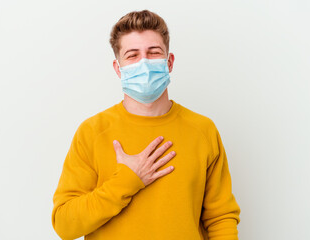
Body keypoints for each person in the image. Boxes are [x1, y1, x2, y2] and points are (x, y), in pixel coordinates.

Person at [52, 9, 240, 240]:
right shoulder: (92, 132)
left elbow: (221, 218)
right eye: (132, 55)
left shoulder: (202, 130)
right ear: (117, 68)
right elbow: (64, 224)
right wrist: (127, 180)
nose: (144, 63)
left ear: (169, 62)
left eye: (154, 52)